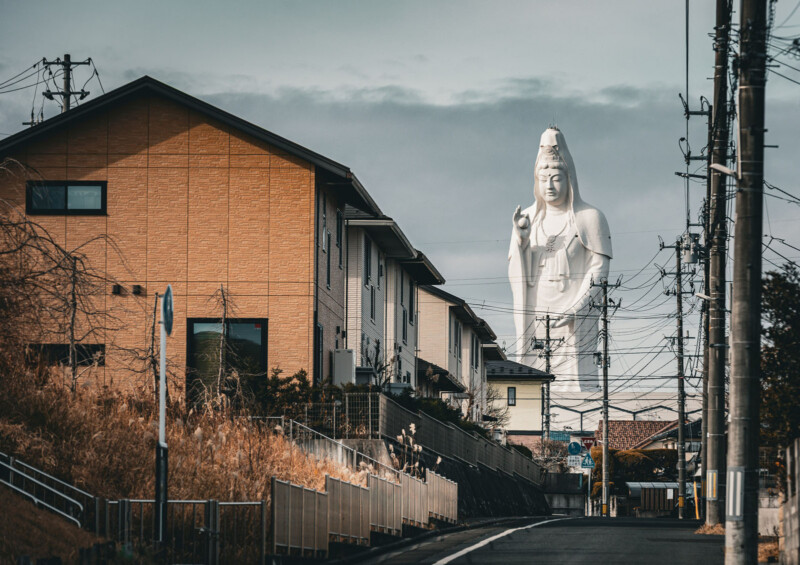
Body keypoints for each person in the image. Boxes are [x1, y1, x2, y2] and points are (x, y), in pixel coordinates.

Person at [508, 127, 612, 392]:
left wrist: (577, 308)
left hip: (574, 308)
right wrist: (521, 241)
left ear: (569, 178)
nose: (550, 186)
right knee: (538, 369)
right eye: (543, 179)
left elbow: (599, 270)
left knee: (574, 375)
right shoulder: (528, 218)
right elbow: (517, 274)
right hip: (539, 303)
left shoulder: (589, 217)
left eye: (556, 178)